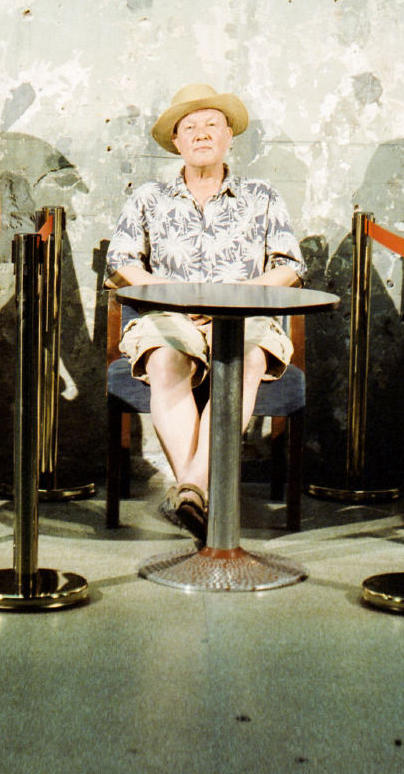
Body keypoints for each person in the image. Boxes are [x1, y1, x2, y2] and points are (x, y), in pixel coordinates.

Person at [105, 84, 306, 540]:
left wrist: (234, 298)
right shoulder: (147, 199)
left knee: (248, 358)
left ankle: (192, 488)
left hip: (244, 314)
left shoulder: (263, 196)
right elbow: (121, 264)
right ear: (176, 142)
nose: (200, 134)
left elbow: (290, 268)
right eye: (189, 127)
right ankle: (203, 500)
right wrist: (176, 295)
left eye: (211, 124)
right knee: (164, 358)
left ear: (229, 136)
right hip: (169, 316)